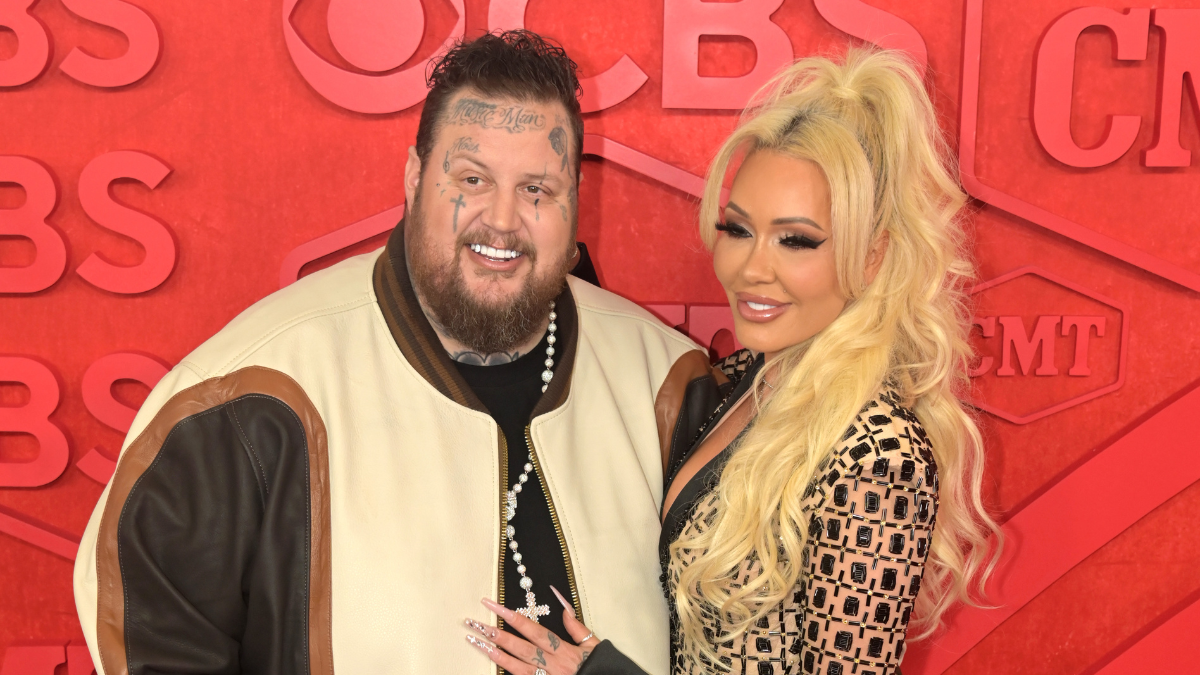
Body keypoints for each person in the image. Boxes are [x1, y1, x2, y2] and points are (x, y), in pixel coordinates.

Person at [72, 31, 714, 675]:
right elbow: (154, 641)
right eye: (472, 179)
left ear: (575, 198)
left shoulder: (667, 384)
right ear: (413, 178)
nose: (502, 219)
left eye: (537, 190)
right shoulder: (249, 396)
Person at [469, 48, 1000, 675]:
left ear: (872, 256)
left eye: (796, 240)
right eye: (739, 230)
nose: (753, 269)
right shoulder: (748, 377)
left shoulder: (878, 452)